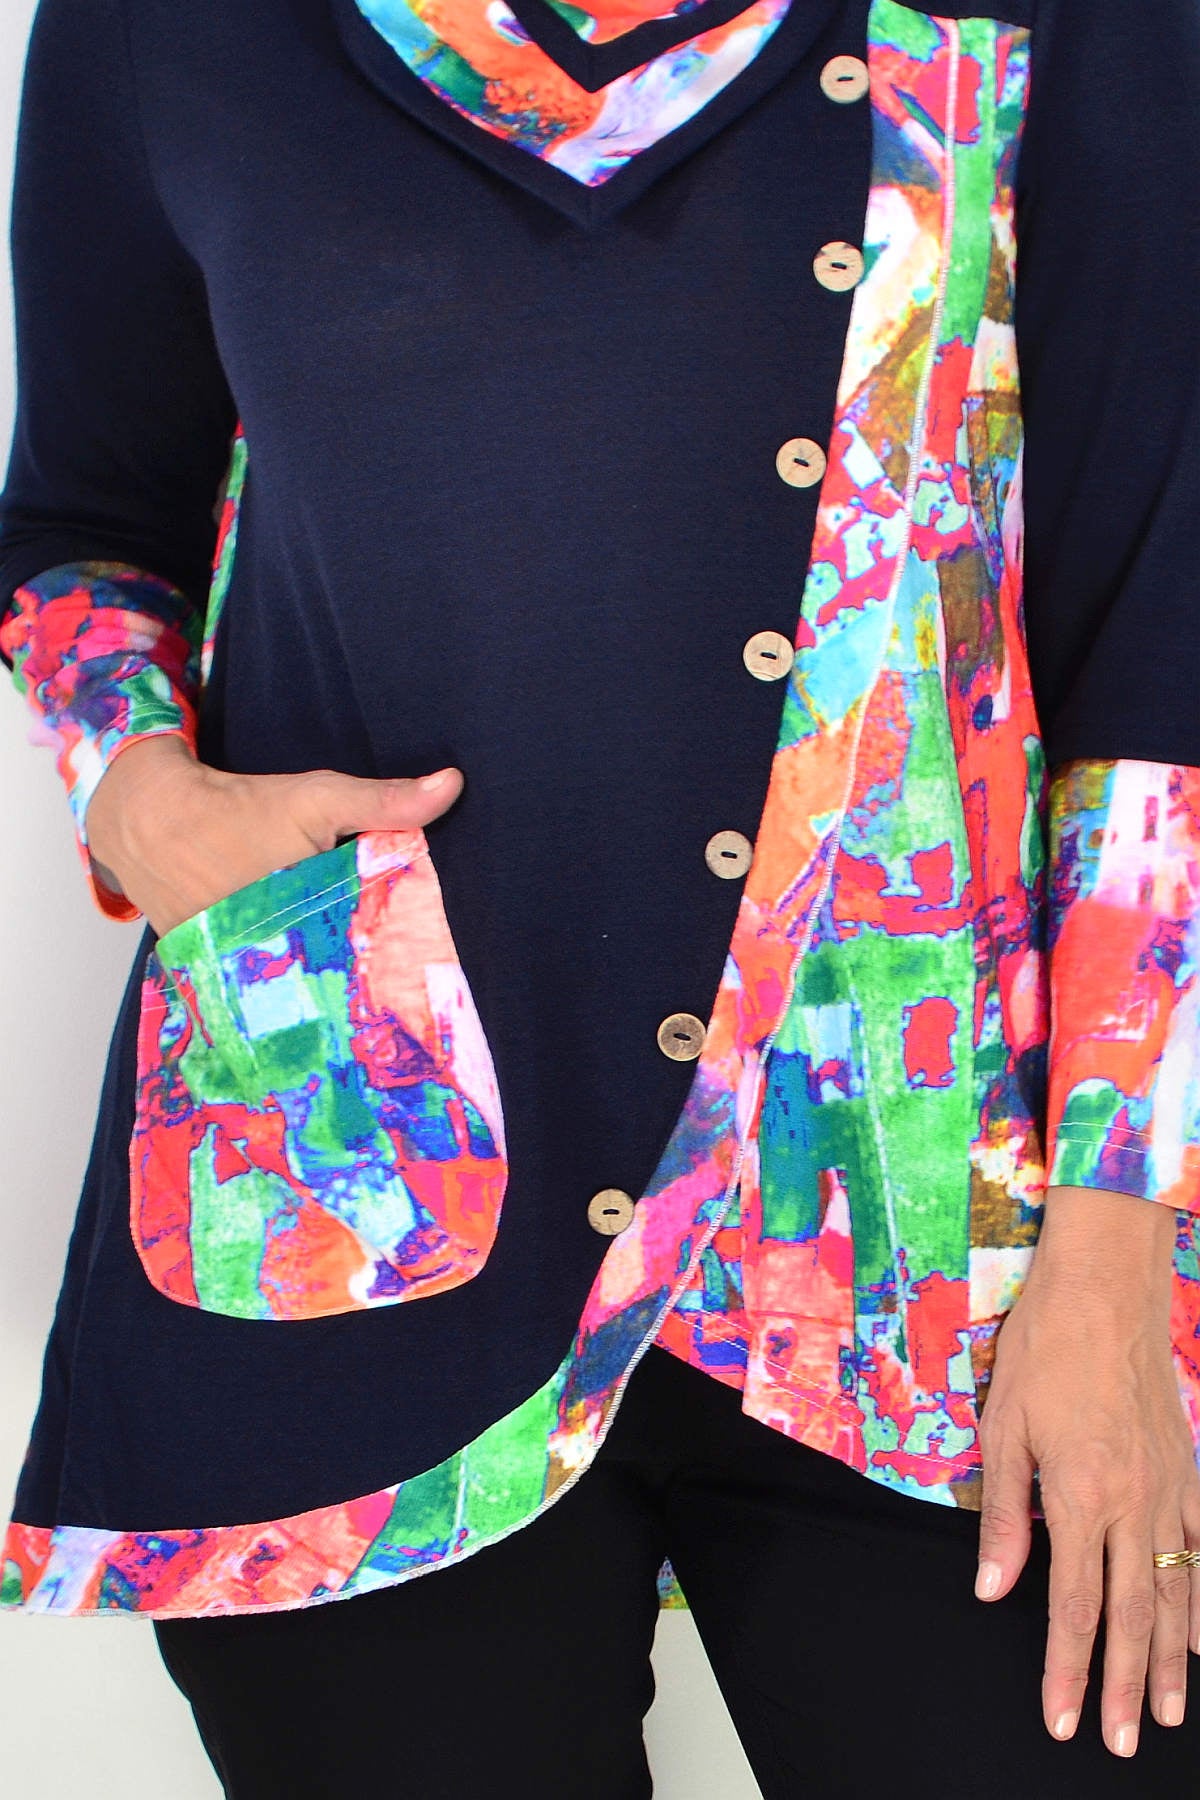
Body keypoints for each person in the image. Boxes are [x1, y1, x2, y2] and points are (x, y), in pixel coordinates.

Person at [2, 0, 1199, 1792]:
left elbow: (1160, 644)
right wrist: (139, 794)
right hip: (355, 1186)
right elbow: (84, 521)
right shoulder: (162, 31)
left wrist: (1117, 1255)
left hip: (930, 1240)